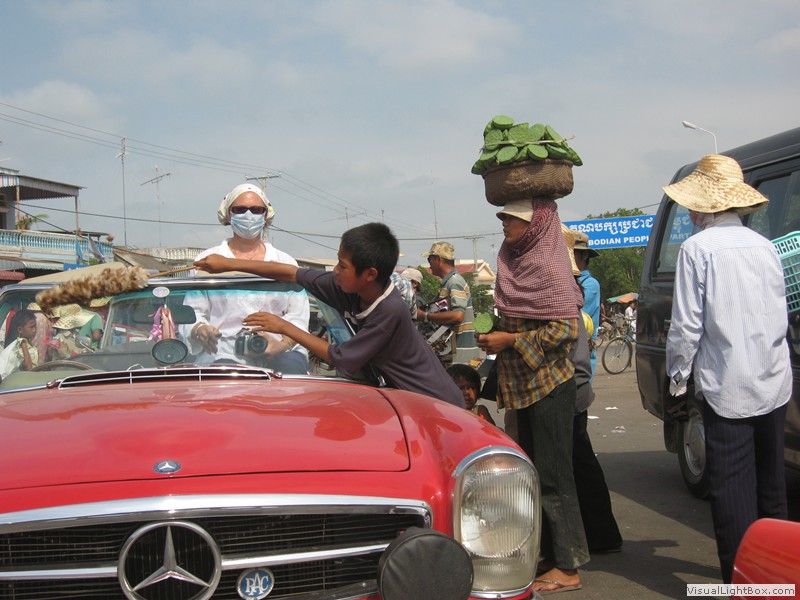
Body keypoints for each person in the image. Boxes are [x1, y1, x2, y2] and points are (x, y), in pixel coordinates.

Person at [664, 154, 791, 584]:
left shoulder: (697, 249)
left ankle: (744, 585)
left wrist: (677, 381)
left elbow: (686, 328)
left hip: (728, 387)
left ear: (703, 206)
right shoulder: (766, 246)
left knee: (733, 495)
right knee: (772, 491)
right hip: (774, 380)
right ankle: (778, 582)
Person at [195, 222, 465, 408]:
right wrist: (228, 264)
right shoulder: (346, 286)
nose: (335, 270)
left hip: (434, 402)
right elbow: (291, 273)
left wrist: (284, 327)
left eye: (343, 266)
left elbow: (341, 358)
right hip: (402, 397)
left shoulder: (389, 310)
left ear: (369, 274)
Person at [475, 198, 589, 594]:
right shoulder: (512, 262)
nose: (504, 223)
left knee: (555, 477)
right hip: (521, 386)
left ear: (536, 224)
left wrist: (510, 340)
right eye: (504, 217)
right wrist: (495, 333)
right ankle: (550, 554)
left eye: (513, 218)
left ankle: (568, 567)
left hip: (550, 385)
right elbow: (517, 319)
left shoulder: (551, 268)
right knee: (533, 476)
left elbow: (565, 331)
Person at [188, 183, 310, 373]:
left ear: (266, 215)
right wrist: (200, 330)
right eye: (240, 209)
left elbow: (298, 316)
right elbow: (192, 313)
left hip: (281, 351)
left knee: (291, 374)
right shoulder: (207, 262)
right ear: (229, 215)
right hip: (223, 352)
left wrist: (283, 344)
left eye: (256, 210)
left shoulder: (285, 263)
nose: (248, 215)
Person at [562, 226, 623, 555]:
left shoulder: (584, 287)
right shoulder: (572, 286)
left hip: (576, 376)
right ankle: (596, 534)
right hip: (575, 375)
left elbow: (583, 323)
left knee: (580, 460)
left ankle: (600, 535)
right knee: (578, 461)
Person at [419, 242, 476, 363]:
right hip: (452, 352)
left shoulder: (454, 282)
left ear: (438, 259)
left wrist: (425, 315)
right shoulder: (448, 282)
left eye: (430, 260)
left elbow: (458, 315)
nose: (429, 265)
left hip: (459, 354)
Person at [573, 230, 600, 378]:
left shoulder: (590, 284)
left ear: (584, 256)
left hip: (581, 359)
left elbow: (575, 316)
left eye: (573, 253)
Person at [0, 309, 38, 379]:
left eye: (35, 326)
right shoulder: (19, 346)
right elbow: (28, 367)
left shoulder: (29, 343)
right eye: (31, 327)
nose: (34, 330)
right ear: (20, 330)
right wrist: (23, 343)